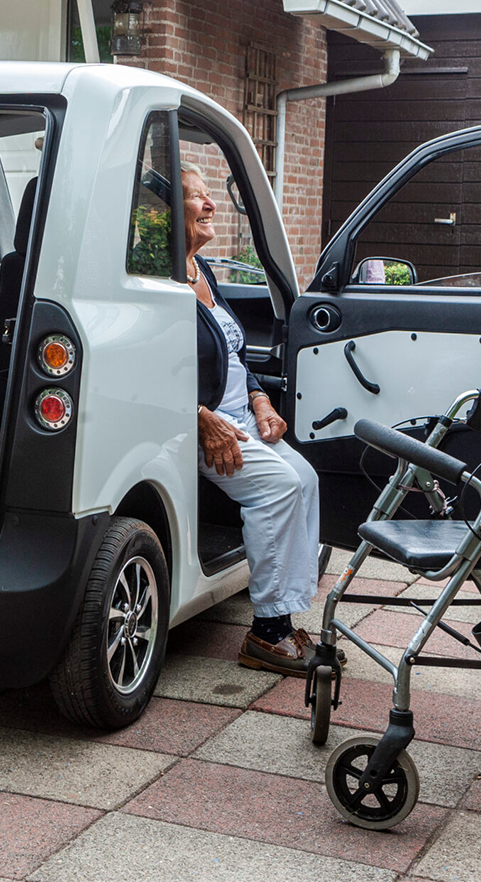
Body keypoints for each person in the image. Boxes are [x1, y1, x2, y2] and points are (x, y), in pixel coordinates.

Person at [182, 163, 328, 676]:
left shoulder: (204, 273)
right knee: (279, 487)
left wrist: (262, 402)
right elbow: (147, 368)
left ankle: (284, 616)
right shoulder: (156, 283)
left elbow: (235, 358)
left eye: (206, 195)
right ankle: (266, 634)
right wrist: (199, 417)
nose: (210, 204)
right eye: (196, 197)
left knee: (305, 478)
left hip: (241, 413)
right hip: (201, 424)